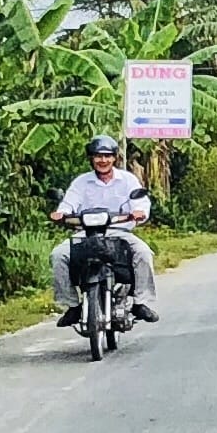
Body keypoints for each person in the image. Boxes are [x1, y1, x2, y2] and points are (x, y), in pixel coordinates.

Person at [52, 135, 158, 328]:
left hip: (119, 232)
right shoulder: (81, 182)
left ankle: (140, 303)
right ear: (91, 159)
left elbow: (140, 202)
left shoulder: (128, 180)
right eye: (98, 156)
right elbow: (68, 203)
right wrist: (61, 213)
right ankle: (72, 306)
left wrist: (139, 212)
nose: (103, 160)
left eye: (107, 156)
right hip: (86, 234)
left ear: (115, 157)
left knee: (144, 253)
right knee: (58, 255)